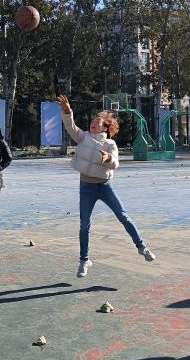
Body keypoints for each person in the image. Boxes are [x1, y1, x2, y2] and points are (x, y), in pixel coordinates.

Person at [56, 95, 155, 278]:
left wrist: (108, 158)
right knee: (84, 224)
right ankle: (84, 260)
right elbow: (71, 127)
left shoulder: (110, 144)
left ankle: (142, 247)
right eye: (92, 122)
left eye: (97, 122)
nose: (93, 124)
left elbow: (115, 163)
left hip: (104, 186)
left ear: (105, 128)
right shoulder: (83, 137)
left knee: (123, 216)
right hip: (86, 187)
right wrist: (67, 111)